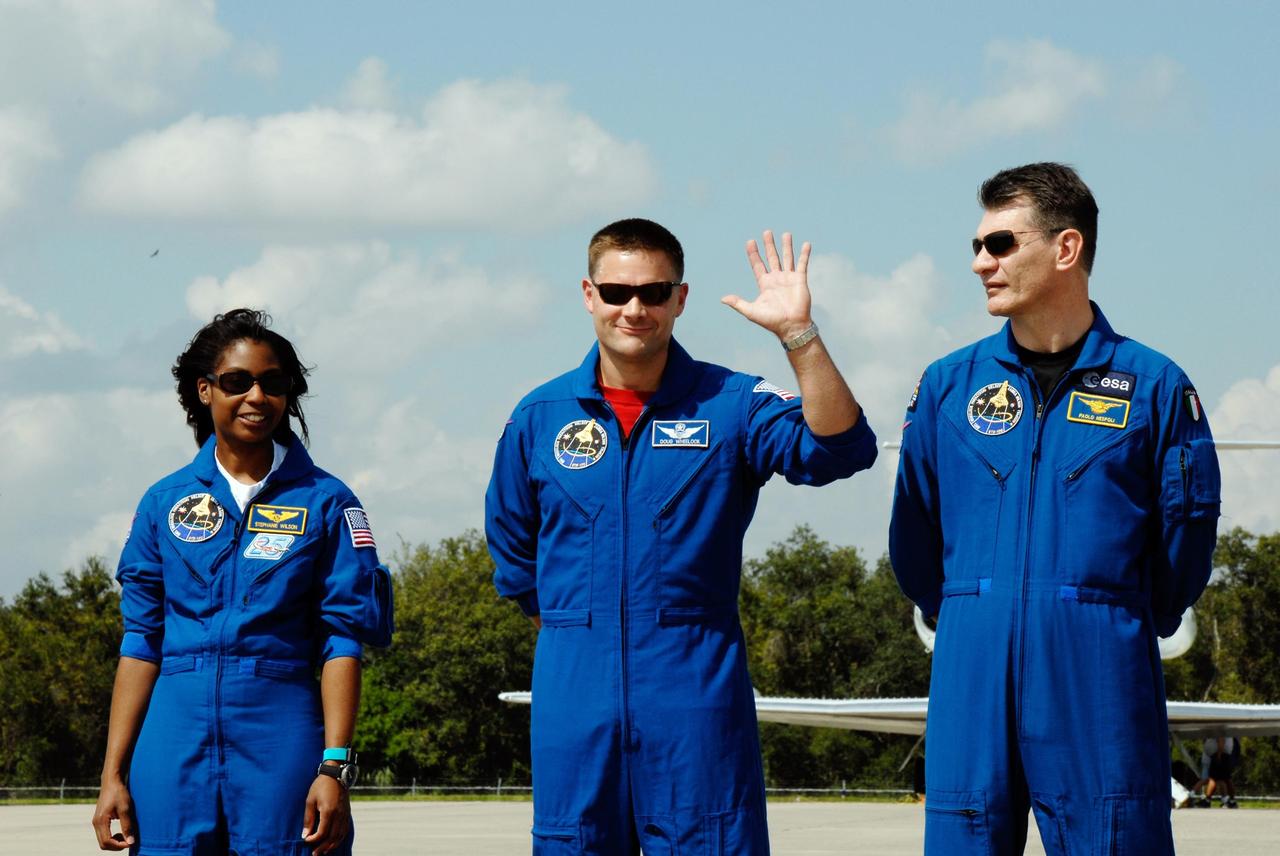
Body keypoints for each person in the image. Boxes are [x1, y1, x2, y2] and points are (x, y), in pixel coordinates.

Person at [485, 218, 877, 853]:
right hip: (573, 699)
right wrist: (575, 633)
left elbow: (840, 449)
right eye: (616, 292)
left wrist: (797, 335)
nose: (634, 308)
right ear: (589, 294)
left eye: (654, 292)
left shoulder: (734, 403)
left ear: (680, 299)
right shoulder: (537, 417)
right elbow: (512, 548)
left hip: (695, 697)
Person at [889, 163, 1221, 854]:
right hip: (970, 667)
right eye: (977, 246)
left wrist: (1111, 615)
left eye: (1001, 244)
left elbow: (1185, 541)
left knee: (1113, 838)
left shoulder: (1155, 388)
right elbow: (913, 532)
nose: (982, 262)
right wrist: (970, 609)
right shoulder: (948, 388)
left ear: (1066, 249)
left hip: (1099, 665)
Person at [92, 309, 393, 855]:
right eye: (238, 382)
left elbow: (342, 640)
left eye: (272, 383)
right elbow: (140, 643)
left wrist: (335, 767)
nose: (257, 396)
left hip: (282, 729)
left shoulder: (329, 502)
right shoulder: (164, 503)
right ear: (205, 391)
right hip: (172, 733)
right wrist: (113, 773)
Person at [1194, 735, 1240, 808]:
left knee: (1215, 778)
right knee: (1224, 779)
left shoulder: (1219, 729)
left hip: (1220, 755)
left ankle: (1210, 800)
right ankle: (1229, 800)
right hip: (1222, 754)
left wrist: (1219, 755)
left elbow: (1221, 739)